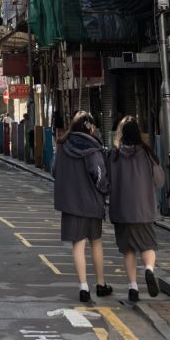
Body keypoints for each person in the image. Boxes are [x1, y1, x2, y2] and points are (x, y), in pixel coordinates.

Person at [53, 111, 112, 304]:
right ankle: (101, 284)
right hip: (92, 203)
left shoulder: (62, 145)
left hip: (71, 204)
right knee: (96, 242)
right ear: (92, 128)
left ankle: (83, 287)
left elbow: (54, 170)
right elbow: (99, 174)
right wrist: (105, 190)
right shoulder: (93, 148)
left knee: (78, 245)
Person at [107, 116, 165, 303]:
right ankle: (149, 269)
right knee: (147, 245)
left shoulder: (113, 155)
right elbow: (159, 181)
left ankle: (132, 287)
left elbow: (106, 183)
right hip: (143, 210)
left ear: (121, 134)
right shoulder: (147, 154)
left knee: (128, 250)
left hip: (121, 211)